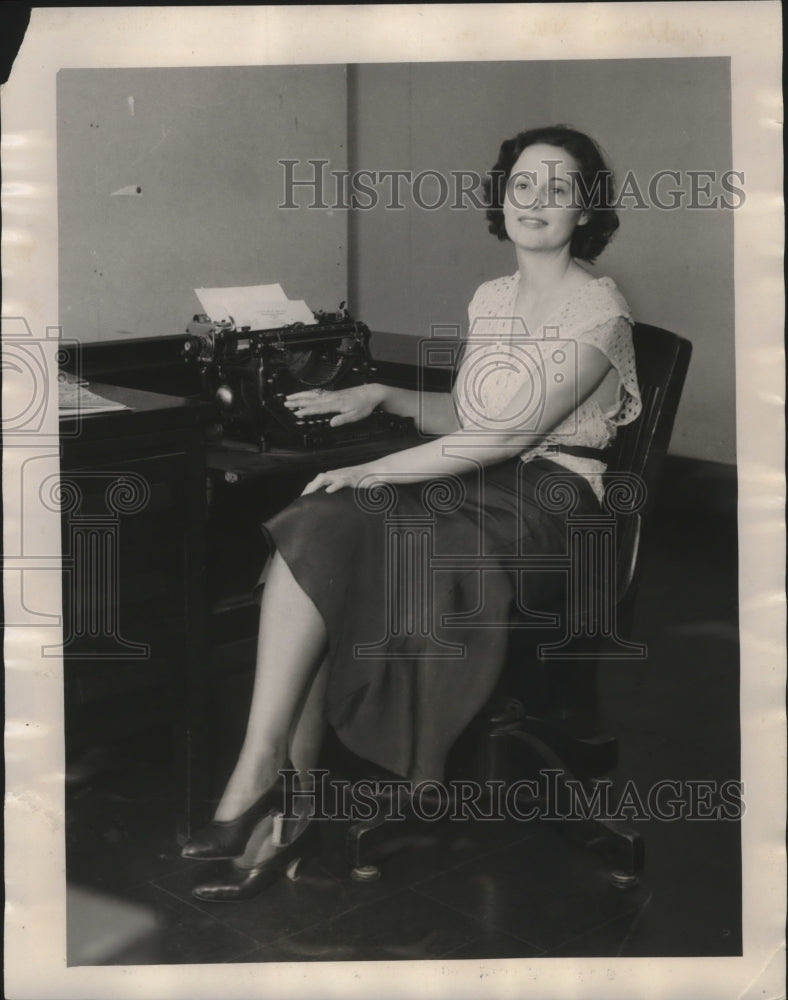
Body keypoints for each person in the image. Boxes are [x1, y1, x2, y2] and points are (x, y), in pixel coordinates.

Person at [181, 124, 642, 901]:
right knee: (316, 522)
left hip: (556, 504)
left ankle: (273, 795)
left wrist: (372, 468)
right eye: (522, 184)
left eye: (558, 188)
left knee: (363, 506)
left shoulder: (600, 309)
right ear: (501, 196)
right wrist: (384, 396)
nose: (536, 201)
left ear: (585, 208)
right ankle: (272, 787)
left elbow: (510, 433)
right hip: (484, 481)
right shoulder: (491, 298)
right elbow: (468, 414)